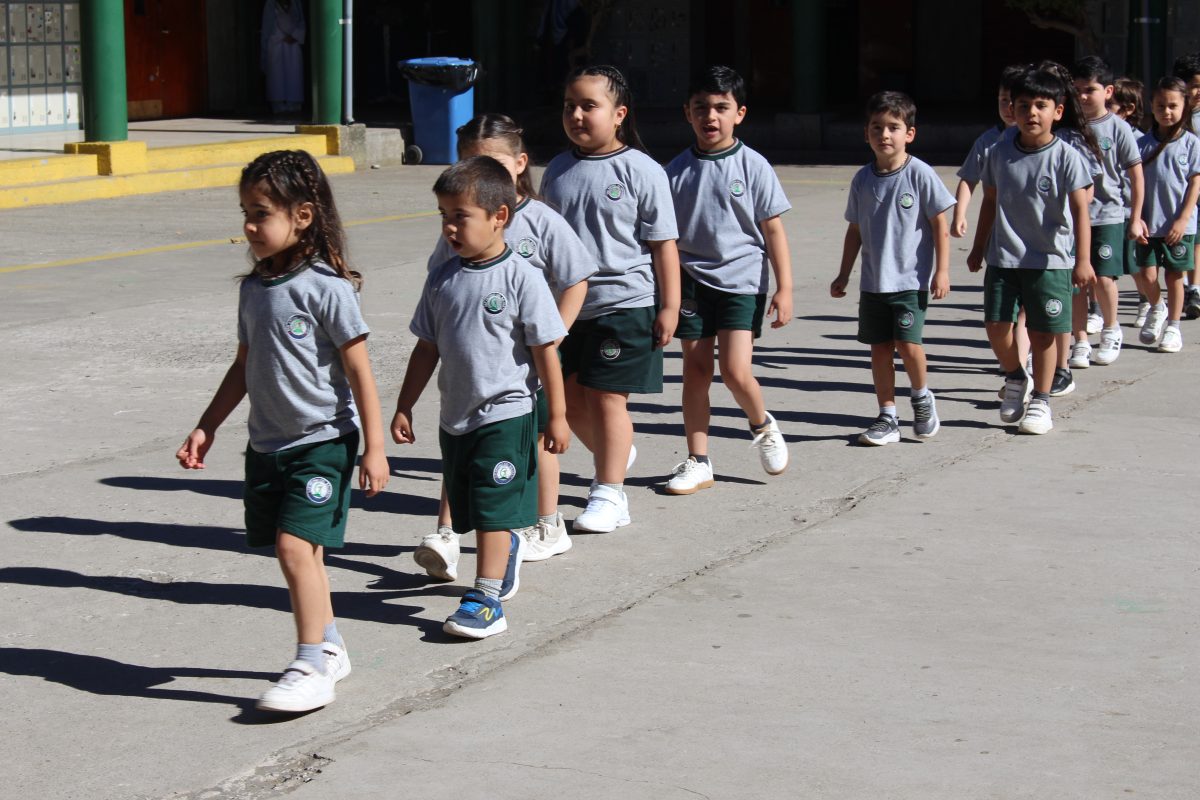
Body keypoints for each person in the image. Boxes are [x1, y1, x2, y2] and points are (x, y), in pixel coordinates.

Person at [176, 150, 389, 712]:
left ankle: (311, 662)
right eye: (245, 211)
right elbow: (244, 364)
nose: (249, 225)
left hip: (323, 441)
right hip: (268, 444)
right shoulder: (254, 289)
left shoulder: (328, 288)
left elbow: (360, 371)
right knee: (300, 553)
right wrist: (207, 426)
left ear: (302, 216)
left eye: (261, 212)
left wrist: (375, 447)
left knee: (295, 547)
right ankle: (331, 645)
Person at [392, 156, 569, 639]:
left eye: (460, 216)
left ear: (499, 217)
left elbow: (545, 352)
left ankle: (487, 599)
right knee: (475, 508)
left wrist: (558, 416)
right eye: (444, 215)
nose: (449, 227)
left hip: (508, 414)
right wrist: (405, 404)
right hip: (457, 417)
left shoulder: (522, 277)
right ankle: (505, 547)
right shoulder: (441, 280)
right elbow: (426, 349)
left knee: (492, 508)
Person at [415, 114, 595, 582]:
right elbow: (437, 303)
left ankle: (545, 522)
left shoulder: (539, 221)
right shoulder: (457, 232)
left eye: (489, 162)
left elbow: (576, 278)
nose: (477, 172)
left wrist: (555, 334)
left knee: (535, 444)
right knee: (463, 441)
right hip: (472, 368)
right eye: (468, 162)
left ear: (518, 164)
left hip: (525, 363)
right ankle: (447, 533)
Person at [540, 65, 681, 531]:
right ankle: (616, 454)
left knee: (606, 399)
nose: (577, 115)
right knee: (571, 402)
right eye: (569, 106)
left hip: (625, 301)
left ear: (619, 114)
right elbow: (545, 245)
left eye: (589, 106)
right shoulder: (558, 171)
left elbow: (663, 244)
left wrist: (669, 306)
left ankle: (609, 494)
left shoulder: (642, 170)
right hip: (567, 307)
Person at [660, 65, 792, 493]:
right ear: (687, 113)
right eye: (701, 108)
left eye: (721, 107)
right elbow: (663, 239)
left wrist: (784, 288)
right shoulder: (674, 172)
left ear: (740, 113)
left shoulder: (753, 165)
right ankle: (698, 460)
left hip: (741, 280)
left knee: (735, 371)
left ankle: (762, 424)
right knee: (695, 373)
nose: (710, 116)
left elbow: (773, 229)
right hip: (692, 280)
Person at [967, 66, 1096, 435]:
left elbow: (1080, 211)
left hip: (1050, 261)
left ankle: (1041, 399)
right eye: (1023, 105)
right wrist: (979, 246)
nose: (1031, 113)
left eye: (1041, 105)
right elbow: (989, 201)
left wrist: (1082, 260)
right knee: (996, 327)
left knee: (1042, 334)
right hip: (1003, 256)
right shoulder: (998, 152)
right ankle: (1014, 376)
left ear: (1058, 111)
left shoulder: (1067, 157)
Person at [831, 91, 955, 445]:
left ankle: (921, 396)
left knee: (908, 344)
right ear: (866, 133)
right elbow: (854, 230)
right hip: (873, 282)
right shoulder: (862, 180)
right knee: (879, 349)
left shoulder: (919, 174)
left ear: (909, 134)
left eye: (893, 127)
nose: (885, 134)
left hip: (910, 280)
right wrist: (844, 273)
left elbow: (939, 224)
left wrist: (942, 271)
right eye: (877, 127)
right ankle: (887, 415)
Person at [1069, 56, 1147, 367]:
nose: (1083, 96)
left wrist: (1136, 216)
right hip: (1073, 219)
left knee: (1103, 278)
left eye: (1090, 89)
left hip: (1109, 215)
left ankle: (1112, 329)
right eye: (1077, 90)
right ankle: (1080, 340)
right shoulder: (1067, 128)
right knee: (1076, 281)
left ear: (1109, 91)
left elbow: (1135, 174)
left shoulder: (1118, 128)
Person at [1134, 77, 1200, 353]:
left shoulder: (1191, 144)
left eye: (1173, 105)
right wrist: (1136, 217)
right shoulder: (1141, 143)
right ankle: (1157, 306)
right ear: (1152, 105)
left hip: (1177, 226)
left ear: (1185, 107)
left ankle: (1173, 326)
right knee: (1146, 274)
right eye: (1161, 105)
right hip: (1148, 224)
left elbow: (1195, 183)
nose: (1167, 111)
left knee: (1175, 275)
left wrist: (1183, 219)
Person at [1110, 77, 1155, 327]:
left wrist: (1141, 214)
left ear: (1128, 109)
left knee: (1135, 263)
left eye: (1112, 106)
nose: (1107, 111)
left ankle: (1145, 300)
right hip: (1109, 209)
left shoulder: (1140, 140)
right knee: (1105, 265)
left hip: (1131, 210)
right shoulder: (1099, 134)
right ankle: (1097, 309)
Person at [1171, 52, 1200, 319]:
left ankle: (1194, 286)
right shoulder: (1174, 115)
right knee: (1193, 237)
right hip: (1184, 185)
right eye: (1192, 86)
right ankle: (1193, 288)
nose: (1196, 92)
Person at [261, 0, 305, 116]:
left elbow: (301, 22)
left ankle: (294, 105)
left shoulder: (296, 3)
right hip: (276, 44)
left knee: (294, 74)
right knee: (277, 76)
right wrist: (280, 36)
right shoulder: (271, 4)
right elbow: (267, 27)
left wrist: (295, 35)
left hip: (293, 44)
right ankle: (278, 105)